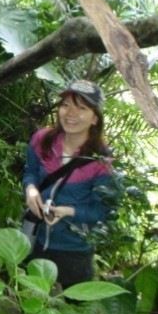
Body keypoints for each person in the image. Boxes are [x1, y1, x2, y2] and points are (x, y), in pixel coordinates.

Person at [22, 79, 114, 288]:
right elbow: (31, 172)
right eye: (65, 105)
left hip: (73, 252)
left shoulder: (101, 162)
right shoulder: (42, 139)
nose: (70, 113)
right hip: (33, 238)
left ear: (94, 118)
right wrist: (31, 190)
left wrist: (67, 211)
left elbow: (103, 211)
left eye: (81, 108)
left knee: (67, 312)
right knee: (29, 302)